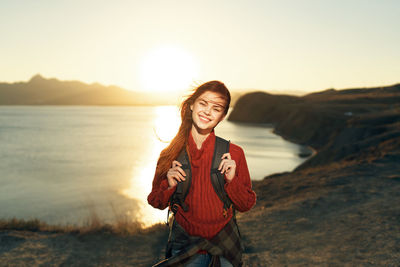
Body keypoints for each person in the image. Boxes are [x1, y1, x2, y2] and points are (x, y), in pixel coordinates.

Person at [148, 80, 256, 267]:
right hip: (184, 243)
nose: (207, 111)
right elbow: (156, 201)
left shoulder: (234, 153)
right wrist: (169, 185)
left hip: (224, 243)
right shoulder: (170, 154)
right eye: (203, 103)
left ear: (222, 116)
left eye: (216, 108)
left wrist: (232, 180)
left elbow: (246, 204)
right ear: (192, 105)